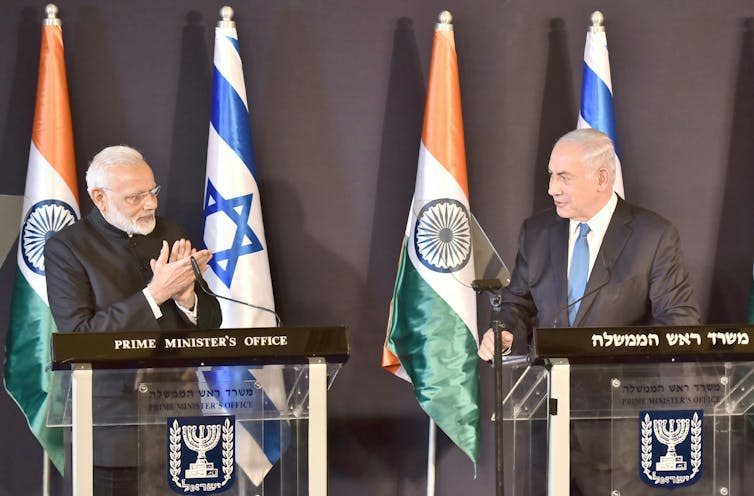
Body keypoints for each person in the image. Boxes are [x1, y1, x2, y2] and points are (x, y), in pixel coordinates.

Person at [477, 129, 701, 495]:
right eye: (551, 175)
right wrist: (503, 331)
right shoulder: (536, 232)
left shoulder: (652, 236)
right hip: (543, 424)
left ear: (601, 178)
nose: (551, 188)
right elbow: (516, 303)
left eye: (563, 177)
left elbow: (679, 323)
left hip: (618, 433)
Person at [44, 145, 222, 495]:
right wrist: (154, 295)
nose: (151, 204)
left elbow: (211, 321)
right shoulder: (68, 248)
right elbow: (80, 337)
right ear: (100, 197)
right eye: (136, 197)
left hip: (180, 420)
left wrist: (187, 299)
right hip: (113, 430)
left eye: (152, 191)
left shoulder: (170, 231)